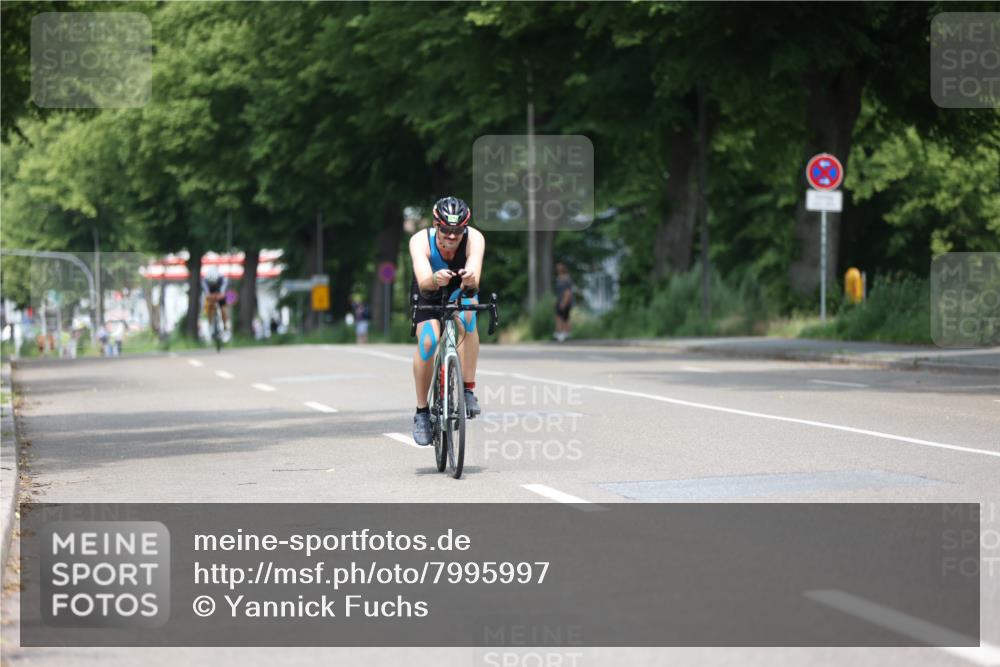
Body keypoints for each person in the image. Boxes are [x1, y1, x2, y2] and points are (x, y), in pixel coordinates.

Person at [408, 196, 485, 446]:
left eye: (458, 231)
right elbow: (423, 282)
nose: (452, 237)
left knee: (468, 316)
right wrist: (435, 279)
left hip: (459, 288)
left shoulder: (475, 239)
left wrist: (469, 278)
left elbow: (474, 279)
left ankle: (468, 390)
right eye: (446, 230)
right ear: (436, 225)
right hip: (429, 288)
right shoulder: (420, 240)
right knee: (429, 341)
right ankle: (422, 411)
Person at [201, 266, 230, 338]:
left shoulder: (223, 279)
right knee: (209, 307)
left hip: (219, 294)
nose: (213, 284)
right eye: (211, 283)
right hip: (211, 294)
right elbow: (207, 294)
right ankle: (210, 324)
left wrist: (218, 296)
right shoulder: (204, 281)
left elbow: (223, 294)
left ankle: (225, 326)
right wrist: (211, 297)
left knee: (223, 309)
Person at [553, 262, 574, 342]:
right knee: (560, 317)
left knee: (564, 317)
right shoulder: (558, 278)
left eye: (560, 268)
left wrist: (564, 302)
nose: (558, 269)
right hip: (560, 299)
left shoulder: (566, 278)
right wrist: (556, 300)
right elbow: (558, 292)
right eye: (557, 268)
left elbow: (568, 292)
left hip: (565, 300)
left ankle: (564, 333)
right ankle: (561, 332)